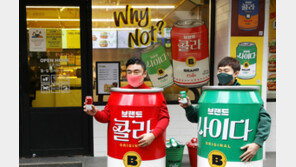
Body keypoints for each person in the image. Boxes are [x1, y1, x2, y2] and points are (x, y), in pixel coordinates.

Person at [179, 57, 271, 162]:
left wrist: (257, 143)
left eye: (226, 71)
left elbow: (266, 120)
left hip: (238, 156)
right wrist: (188, 107)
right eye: (220, 71)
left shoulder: (244, 94)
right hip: (211, 154)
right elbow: (195, 118)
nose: (222, 73)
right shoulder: (212, 94)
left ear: (236, 74)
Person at [84, 57, 170, 148]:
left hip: (149, 148)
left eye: (136, 72)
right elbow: (106, 117)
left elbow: (164, 118)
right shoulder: (118, 93)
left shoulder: (155, 94)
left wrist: (153, 135)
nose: (132, 75)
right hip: (122, 148)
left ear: (144, 74)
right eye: (129, 72)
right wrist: (96, 113)